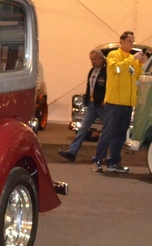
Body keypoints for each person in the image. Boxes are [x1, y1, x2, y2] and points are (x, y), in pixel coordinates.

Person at [90, 31, 147, 173]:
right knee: (108, 132)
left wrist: (140, 64)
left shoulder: (131, 58)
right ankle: (97, 160)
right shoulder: (113, 55)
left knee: (120, 134)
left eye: (133, 42)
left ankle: (114, 161)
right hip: (115, 102)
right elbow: (116, 69)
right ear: (121, 42)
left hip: (127, 103)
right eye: (129, 41)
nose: (131, 44)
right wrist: (131, 59)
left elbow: (137, 76)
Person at [58, 49, 107, 161]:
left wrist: (105, 100)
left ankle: (102, 155)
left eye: (95, 59)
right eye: (91, 60)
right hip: (92, 104)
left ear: (101, 59)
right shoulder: (92, 71)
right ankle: (72, 152)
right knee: (83, 128)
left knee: (107, 131)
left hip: (102, 105)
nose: (93, 62)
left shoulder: (107, 72)